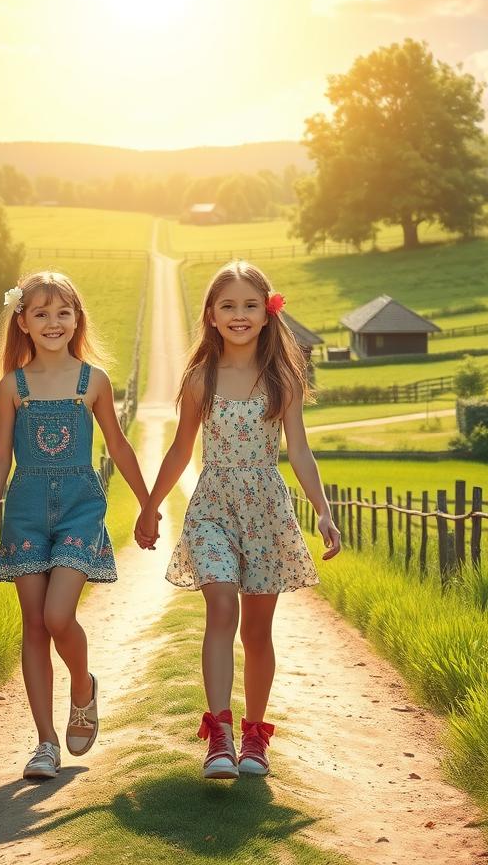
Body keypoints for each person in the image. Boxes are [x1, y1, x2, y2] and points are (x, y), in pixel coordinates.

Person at [135, 261, 340, 779]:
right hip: (213, 506)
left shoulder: (283, 379)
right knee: (221, 604)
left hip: (267, 510)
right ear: (211, 315)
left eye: (250, 305)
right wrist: (152, 504)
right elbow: (182, 448)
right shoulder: (201, 378)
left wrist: (323, 511)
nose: (240, 314)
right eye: (228, 305)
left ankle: (254, 735)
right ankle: (219, 735)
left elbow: (301, 452)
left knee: (258, 631)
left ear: (268, 314)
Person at [0, 271, 150, 781]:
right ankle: (46, 742)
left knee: (57, 616)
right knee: (32, 624)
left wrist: (145, 503)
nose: (54, 322)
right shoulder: (13, 386)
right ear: (23, 323)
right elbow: (0, 456)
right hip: (25, 509)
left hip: (79, 506)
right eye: (41, 314)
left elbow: (117, 446)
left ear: (77, 319)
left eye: (63, 313)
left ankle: (82, 685)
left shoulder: (92, 381)